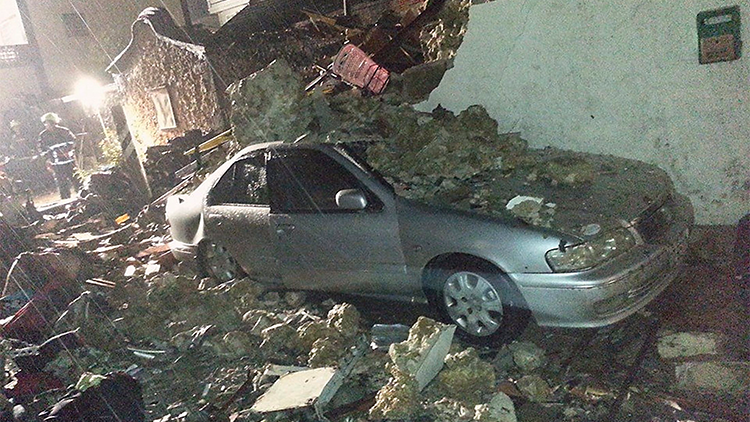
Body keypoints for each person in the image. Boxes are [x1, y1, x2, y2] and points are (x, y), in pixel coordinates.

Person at [37, 112, 78, 199]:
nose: (46, 125)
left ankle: (83, 195)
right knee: (61, 183)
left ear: (53, 122)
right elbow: (41, 149)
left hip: (69, 162)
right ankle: (66, 200)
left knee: (76, 180)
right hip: (57, 164)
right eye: (45, 123)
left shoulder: (64, 131)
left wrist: (67, 150)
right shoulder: (43, 135)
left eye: (47, 122)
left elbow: (73, 141)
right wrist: (47, 159)